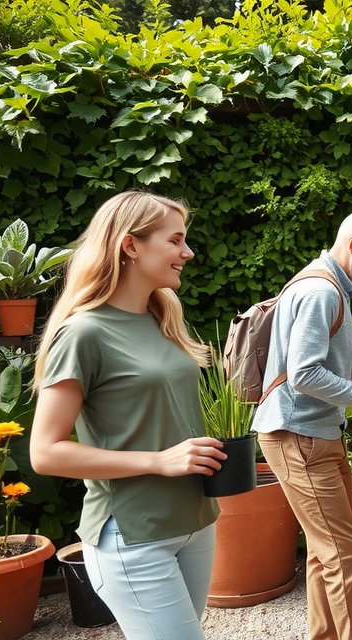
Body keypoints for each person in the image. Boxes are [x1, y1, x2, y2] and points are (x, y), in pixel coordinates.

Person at [30, 192, 226, 639]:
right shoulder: (83, 332)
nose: (187, 252)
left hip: (195, 523)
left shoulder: (163, 318)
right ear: (130, 245)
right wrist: (158, 460)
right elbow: (45, 453)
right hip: (134, 536)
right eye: (175, 240)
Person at [252, 208, 352, 640]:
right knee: (343, 556)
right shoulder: (323, 292)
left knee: (327, 555)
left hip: (311, 434)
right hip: (299, 436)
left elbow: (322, 362)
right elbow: (305, 375)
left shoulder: (324, 284)